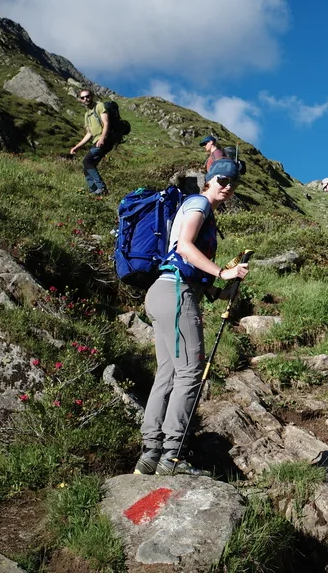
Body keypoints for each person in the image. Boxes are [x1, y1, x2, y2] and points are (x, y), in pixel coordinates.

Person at [136, 158, 249, 476]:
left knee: (168, 374)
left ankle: (151, 454)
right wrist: (223, 272)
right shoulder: (198, 202)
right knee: (189, 373)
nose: (227, 187)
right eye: (222, 180)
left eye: (233, 183)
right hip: (175, 293)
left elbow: (187, 262)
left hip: (164, 293)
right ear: (209, 180)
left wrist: (218, 290)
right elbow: (185, 248)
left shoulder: (198, 208)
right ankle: (173, 456)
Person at [69, 91, 120, 196]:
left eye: (87, 96)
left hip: (105, 140)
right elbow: (89, 134)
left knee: (87, 161)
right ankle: (93, 190)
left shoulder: (99, 106)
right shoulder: (87, 114)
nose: (85, 99)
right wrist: (77, 147)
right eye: (82, 98)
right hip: (96, 141)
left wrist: (102, 138)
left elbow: (106, 123)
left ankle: (102, 189)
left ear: (91, 96)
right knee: (87, 165)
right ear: (80, 99)